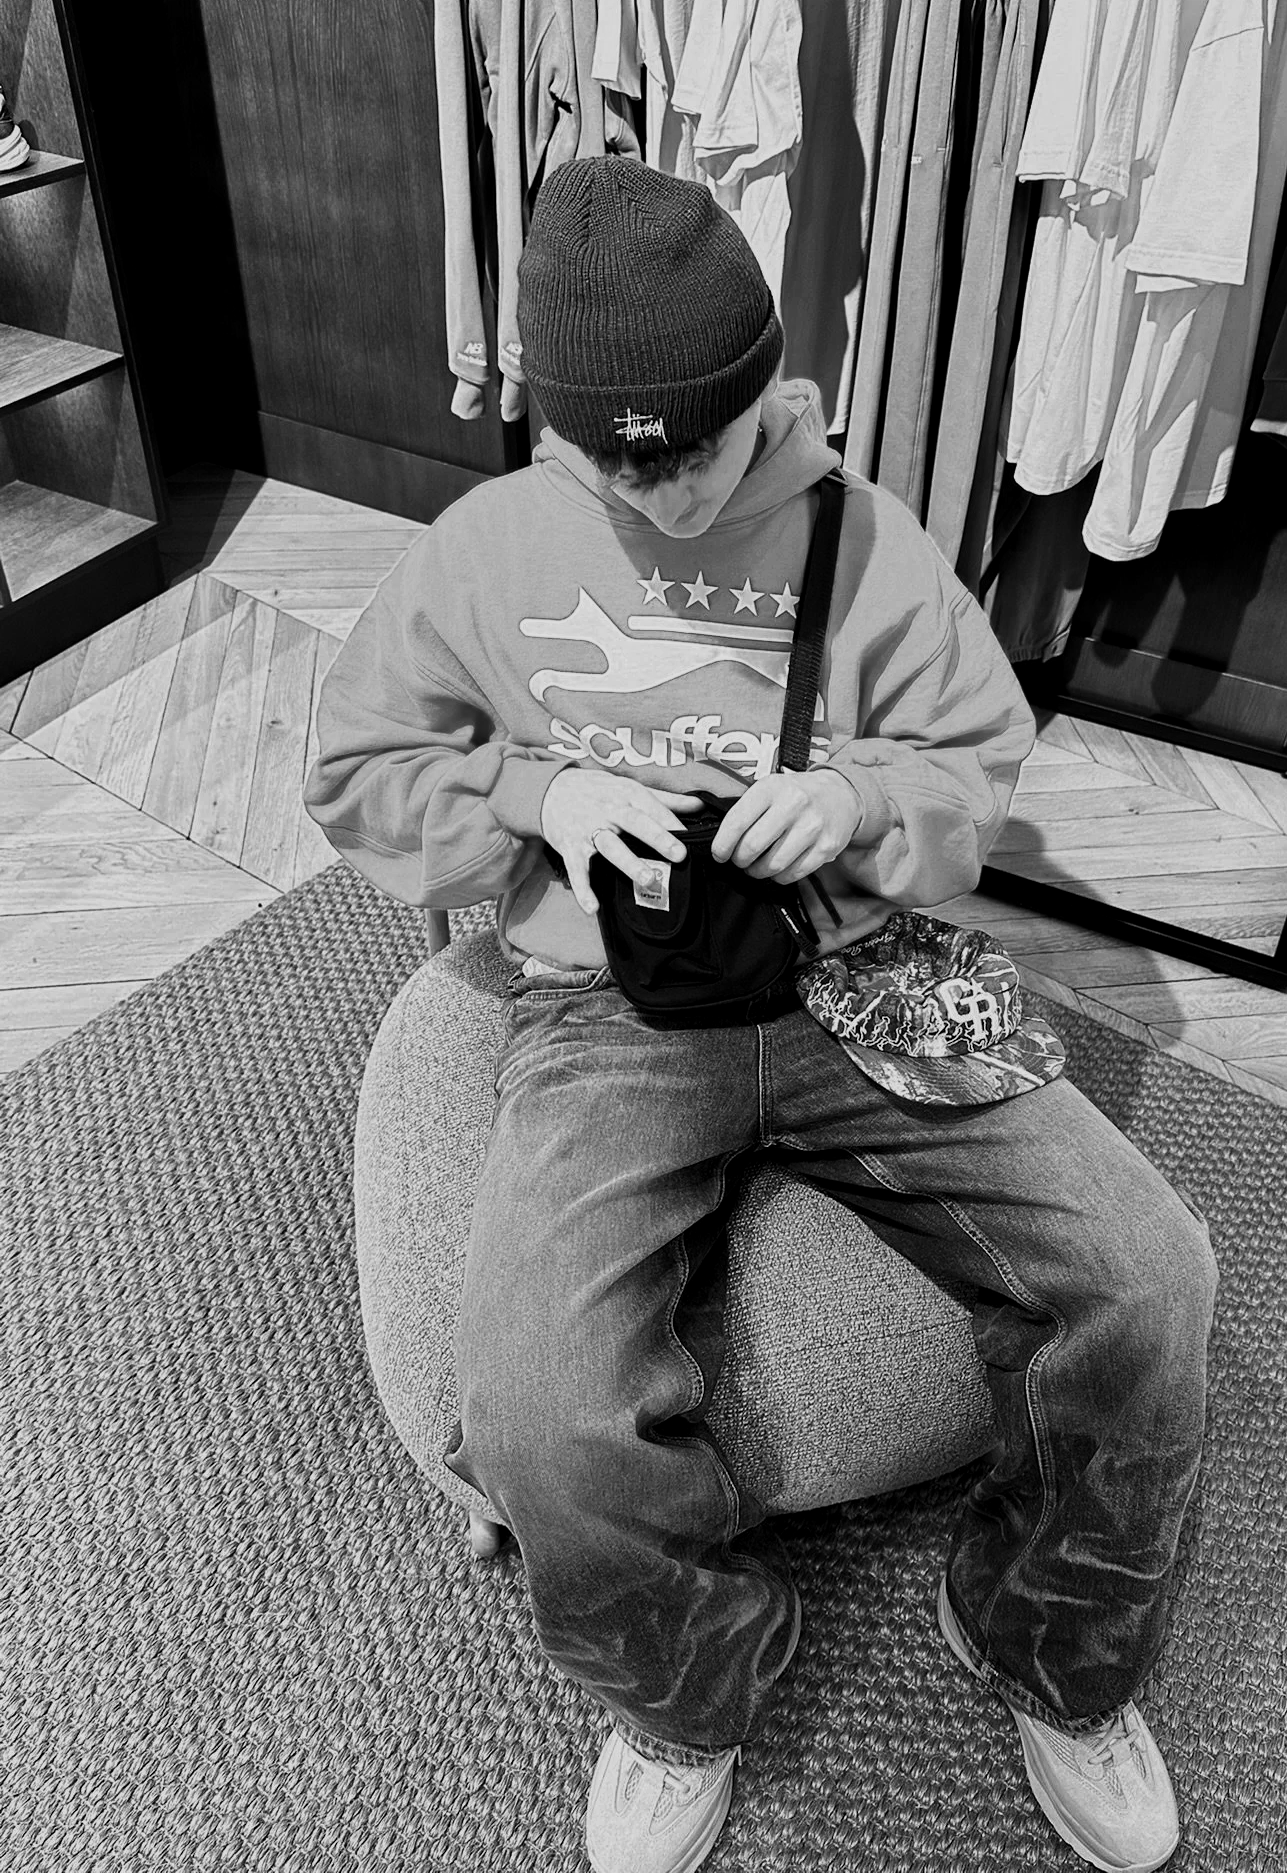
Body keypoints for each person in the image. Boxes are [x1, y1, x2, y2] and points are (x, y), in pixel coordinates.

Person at [305, 156, 1216, 1873]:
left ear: (762, 395)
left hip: (845, 977)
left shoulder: (860, 540)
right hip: (602, 1013)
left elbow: (978, 760)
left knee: (1154, 1278)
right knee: (526, 1399)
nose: (654, 493)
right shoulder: (485, 546)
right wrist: (535, 797)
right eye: (605, 460)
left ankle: (1054, 1646)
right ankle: (679, 1688)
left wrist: (863, 800)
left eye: (698, 453)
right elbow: (354, 767)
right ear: (553, 423)